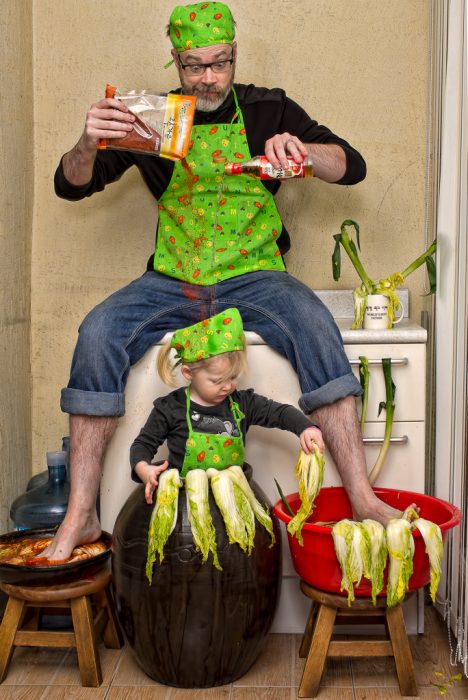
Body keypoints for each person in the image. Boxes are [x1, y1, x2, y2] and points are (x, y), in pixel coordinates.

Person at [45, 0, 400, 561]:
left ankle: (360, 495)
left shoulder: (267, 110)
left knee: (312, 322)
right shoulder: (152, 117)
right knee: (97, 331)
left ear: (234, 57)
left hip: (256, 276)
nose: (208, 78)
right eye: (194, 66)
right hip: (172, 278)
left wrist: (304, 154)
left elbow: (349, 164)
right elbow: (73, 186)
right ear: (175, 62)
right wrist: (90, 142)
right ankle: (83, 514)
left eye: (220, 63)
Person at [131, 308, 324, 504]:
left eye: (233, 377)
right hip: (185, 505)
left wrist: (305, 428)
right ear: (188, 373)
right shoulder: (171, 408)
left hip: (234, 500)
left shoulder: (242, 404)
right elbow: (142, 445)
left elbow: (280, 413)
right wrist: (144, 469)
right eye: (217, 381)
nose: (228, 386)